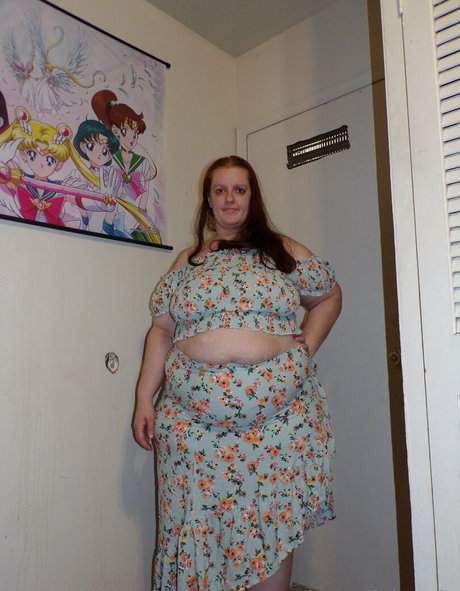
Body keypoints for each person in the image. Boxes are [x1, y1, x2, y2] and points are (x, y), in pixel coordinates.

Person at [132, 155, 342, 591]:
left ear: (252, 197)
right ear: (208, 200)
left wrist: (306, 346)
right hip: (193, 431)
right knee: (197, 525)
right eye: (220, 190)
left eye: (239, 189)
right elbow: (161, 331)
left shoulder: (282, 250)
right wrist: (143, 399)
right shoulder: (190, 261)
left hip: (276, 427)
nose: (230, 199)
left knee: (270, 524)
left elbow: (328, 296)